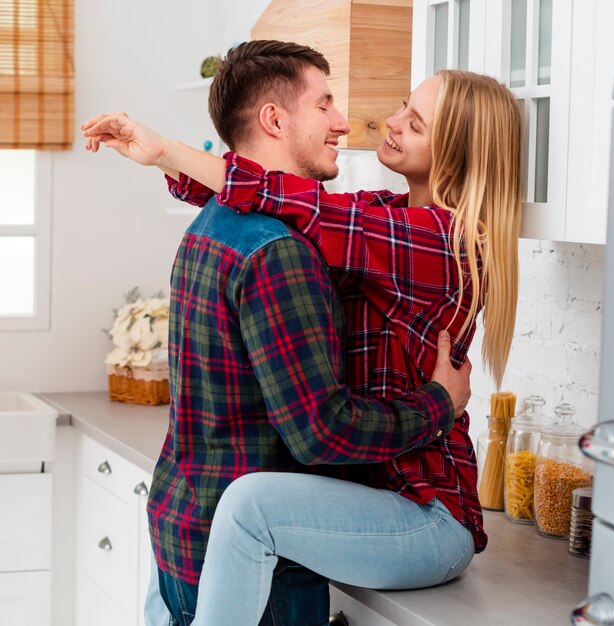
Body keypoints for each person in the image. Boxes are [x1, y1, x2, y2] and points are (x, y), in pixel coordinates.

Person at [83, 40, 473, 626]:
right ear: (274, 119)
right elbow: (323, 431)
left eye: (412, 120)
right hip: (254, 552)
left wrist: (167, 155)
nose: (352, 121)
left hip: (188, 526)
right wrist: (438, 405)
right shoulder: (285, 248)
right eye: (326, 103)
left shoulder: (216, 230)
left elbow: (300, 204)